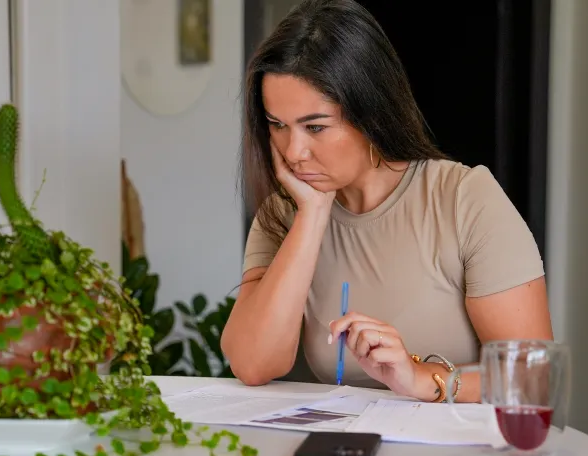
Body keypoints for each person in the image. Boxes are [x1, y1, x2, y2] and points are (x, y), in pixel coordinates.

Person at [220, 0, 553, 403]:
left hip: (454, 443)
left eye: (315, 127)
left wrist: (420, 379)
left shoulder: (465, 199)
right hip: (344, 443)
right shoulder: (282, 215)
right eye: (278, 125)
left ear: (370, 112)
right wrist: (312, 216)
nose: (293, 152)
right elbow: (253, 364)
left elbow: (533, 378)